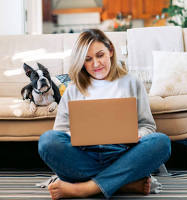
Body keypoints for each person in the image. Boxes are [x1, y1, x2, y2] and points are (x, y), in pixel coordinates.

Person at [38, 29, 171, 200]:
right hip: (84, 155)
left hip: (123, 154)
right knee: (47, 141)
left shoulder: (131, 83)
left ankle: (86, 188)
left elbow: (148, 126)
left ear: (111, 51)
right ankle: (122, 184)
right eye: (88, 59)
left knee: (162, 142)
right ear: (82, 63)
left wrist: (138, 135)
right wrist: (76, 135)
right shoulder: (73, 89)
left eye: (100, 55)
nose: (96, 64)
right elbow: (60, 132)